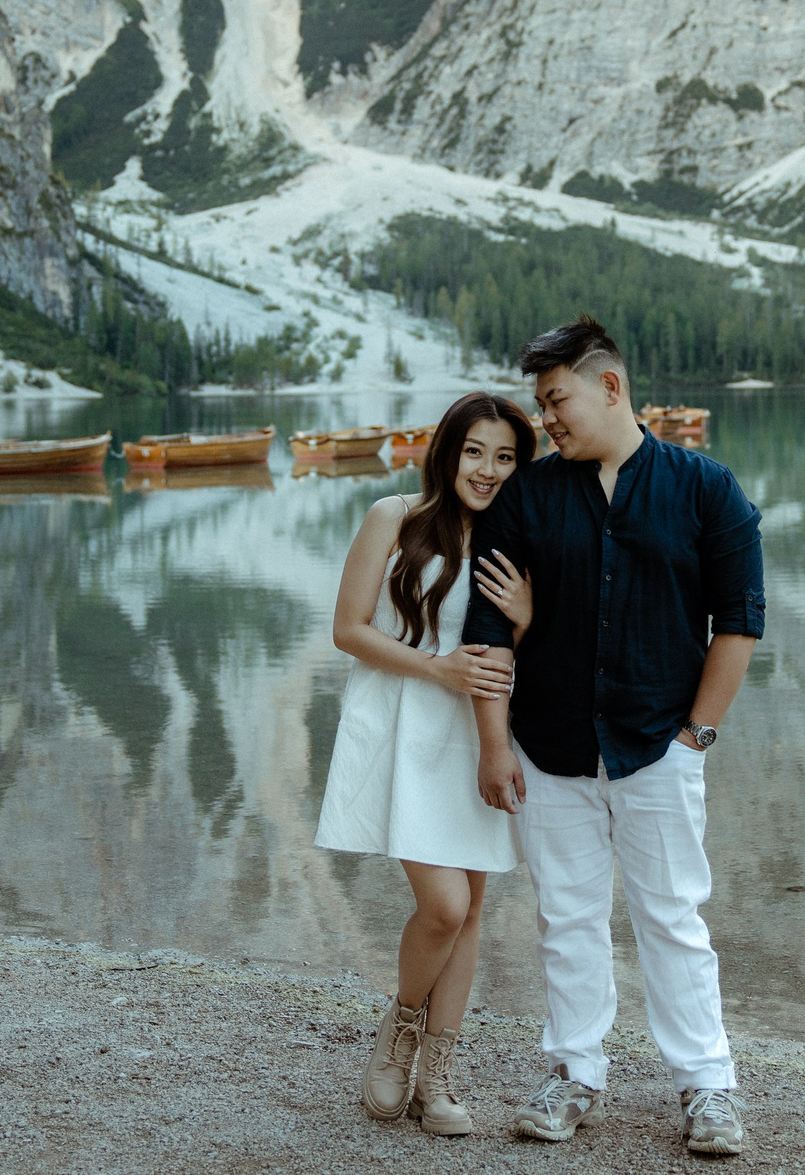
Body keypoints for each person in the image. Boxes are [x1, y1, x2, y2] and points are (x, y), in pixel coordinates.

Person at [461, 316, 764, 1159]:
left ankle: (707, 1088)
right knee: (567, 917)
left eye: (554, 401)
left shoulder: (707, 489)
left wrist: (697, 736)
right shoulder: (527, 498)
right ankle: (573, 1075)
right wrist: (494, 746)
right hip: (548, 748)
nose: (545, 419)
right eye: (539, 403)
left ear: (610, 387)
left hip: (658, 748)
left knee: (672, 917)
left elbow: (738, 624)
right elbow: (487, 633)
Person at [313, 390, 540, 1135]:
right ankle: (401, 1028)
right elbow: (348, 630)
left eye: (506, 457)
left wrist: (530, 622)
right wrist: (434, 668)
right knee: (443, 906)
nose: (488, 469)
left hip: (480, 735)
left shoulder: (517, 540)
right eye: (476, 450)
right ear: (447, 450)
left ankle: (437, 1078)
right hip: (406, 728)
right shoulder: (395, 516)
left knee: (471, 910)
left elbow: (523, 656)